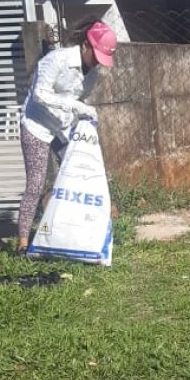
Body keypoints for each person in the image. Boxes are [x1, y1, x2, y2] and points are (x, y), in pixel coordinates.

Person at [16, 19, 117, 255]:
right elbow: (40, 94)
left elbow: (77, 102)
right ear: (86, 45)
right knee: (36, 182)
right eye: (97, 55)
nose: (97, 63)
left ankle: (70, 232)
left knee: (78, 175)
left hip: (61, 127)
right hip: (36, 125)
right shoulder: (57, 60)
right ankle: (22, 243)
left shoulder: (92, 74)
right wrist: (74, 105)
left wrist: (84, 118)